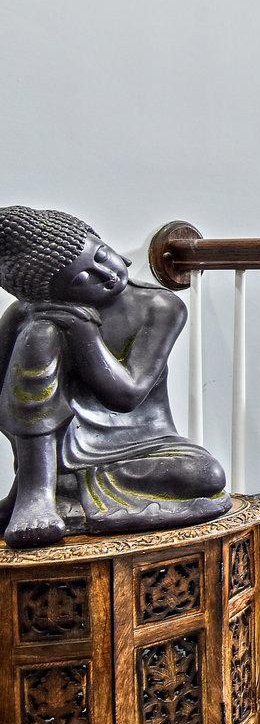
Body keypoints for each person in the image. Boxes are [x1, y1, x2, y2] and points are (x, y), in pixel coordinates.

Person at [0, 206, 229, 549]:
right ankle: (36, 491)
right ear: (53, 293)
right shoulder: (31, 313)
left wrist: (86, 335)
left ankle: (68, 495)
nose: (105, 275)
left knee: (207, 474)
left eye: (101, 256)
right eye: (82, 279)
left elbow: (126, 396)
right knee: (40, 332)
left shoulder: (159, 306)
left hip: (144, 445)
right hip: (59, 449)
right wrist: (39, 328)